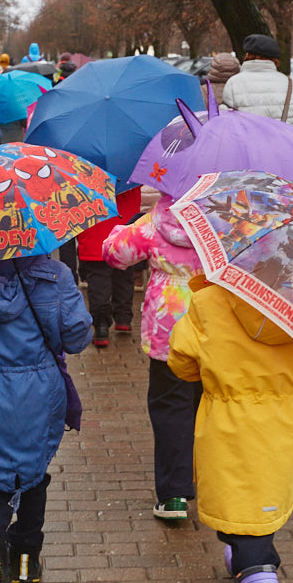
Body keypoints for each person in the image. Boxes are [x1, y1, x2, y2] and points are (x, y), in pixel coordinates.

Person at [169, 278, 293, 583]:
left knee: (235, 492)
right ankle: (246, 557)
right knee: (267, 492)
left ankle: (255, 566)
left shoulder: (209, 301)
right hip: (285, 419)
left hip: (227, 419)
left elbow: (182, 362)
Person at [0, 254, 92, 583]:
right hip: (38, 390)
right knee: (32, 475)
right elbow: (76, 337)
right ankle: (25, 564)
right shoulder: (55, 275)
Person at [103, 193, 204, 521]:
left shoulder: (158, 219)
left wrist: (126, 227)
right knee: (208, 404)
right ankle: (209, 479)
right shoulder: (225, 217)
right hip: (214, 322)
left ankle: (174, 494)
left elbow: (116, 254)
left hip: (168, 326)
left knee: (171, 404)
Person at [77, 186, 142, 347]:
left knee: (98, 284)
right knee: (124, 277)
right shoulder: (130, 176)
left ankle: (101, 326)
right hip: (124, 231)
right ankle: (123, 318)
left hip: (95, 229)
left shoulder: (84, 175)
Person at [221, 34, 293, 135]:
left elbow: (225, 125)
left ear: (247, 55)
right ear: (275, 59)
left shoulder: (233, 83)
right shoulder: (291, 85)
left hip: (246, 144)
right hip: (284, 144)